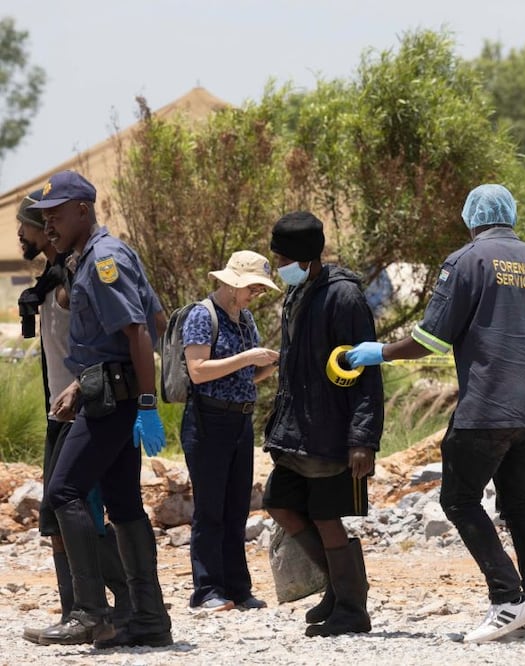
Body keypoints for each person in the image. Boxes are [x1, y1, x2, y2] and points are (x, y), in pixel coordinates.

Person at [345, 184, 525, 643]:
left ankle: (507, 598)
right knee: (518, 504)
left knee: (458, 500)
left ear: (471, 217)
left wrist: (378, 352)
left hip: (486, 406)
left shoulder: (465, 261)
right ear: (510, 214)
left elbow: (432, 340)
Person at [33, 170, 172, 648]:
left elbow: (139, 332)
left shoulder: (104, 261)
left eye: (56, 214)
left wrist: (146, 403)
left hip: (113, 400)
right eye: (44, 216)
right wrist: (82, 382)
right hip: (107, 392)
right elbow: (152, 318)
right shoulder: (97, 256)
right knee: (124, 503)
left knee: (64, 493)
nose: (48, 223)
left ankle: (90, 612)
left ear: (84, 210)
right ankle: (149, 620)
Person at [16, 189, 132, 644]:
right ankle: (88, 611)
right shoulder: (51, 279)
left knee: (71, 508)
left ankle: (104, 610)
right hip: (61, 409)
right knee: (61, 516)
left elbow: (130, 331)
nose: (23, 234)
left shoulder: (74, 275)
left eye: (27, 226)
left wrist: (141, 404)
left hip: (83, 407)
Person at [261, 211, 383, 638]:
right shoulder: (298, 293)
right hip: (296, 431)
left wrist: (363, 438)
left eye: (281, 258)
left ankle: (352, 607)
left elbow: (366, 372)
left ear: (304, 259)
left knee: (328, 516)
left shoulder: (344, 297)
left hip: (333, 431)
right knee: (280, 503)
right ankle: (336, 586)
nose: (278, 266)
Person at [181, 250, 280, 612]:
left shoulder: (245, 319)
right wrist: (248, 357)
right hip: (208, 420)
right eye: (252, 287)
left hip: (240, 420)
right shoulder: (201, 316)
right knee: (210, 509)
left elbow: (245, 377)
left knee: (237, 507)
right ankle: (207, 590)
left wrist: (270, 364)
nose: (256, 294)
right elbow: (199, 370)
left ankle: (237, 587)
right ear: (231, 283)